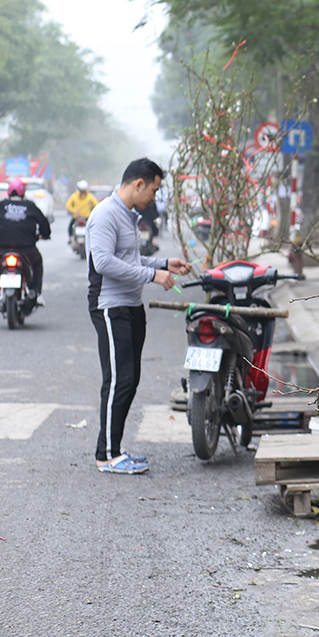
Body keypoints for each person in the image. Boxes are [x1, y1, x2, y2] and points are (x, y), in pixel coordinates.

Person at [87, 158, 192, 474]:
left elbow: (131, 257)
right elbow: (104, 262)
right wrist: (152, 276)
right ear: (138, 184)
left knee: (130, 380)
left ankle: (115, 449)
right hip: (110, 305)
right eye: (154, 190)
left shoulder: (127, 215)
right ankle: (106, 455)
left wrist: (163, 264)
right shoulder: (104, 214)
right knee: (119, 379)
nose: (154, 198)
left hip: (131, 305)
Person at [0, 179, 52, 305]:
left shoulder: (2, 206)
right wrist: (45, 235)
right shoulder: (30, 206)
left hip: (3, 250)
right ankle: (35, 292)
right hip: (27, 251)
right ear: (23, 192)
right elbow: (44, 223)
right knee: (37, 262)